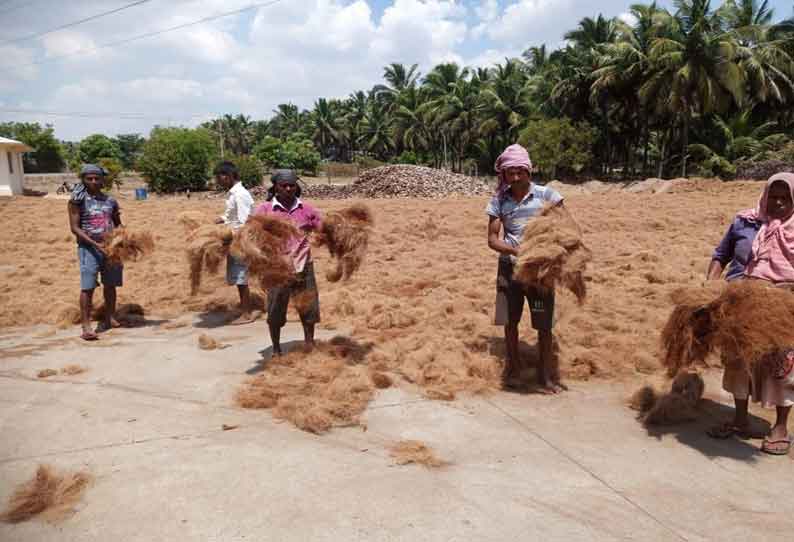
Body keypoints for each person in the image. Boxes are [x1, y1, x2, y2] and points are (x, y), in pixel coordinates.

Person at [707, 172, 794, 455]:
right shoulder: (745, 221)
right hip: (742, 302)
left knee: (782, 365)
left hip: (784, 308)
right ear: (765, 195)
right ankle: (740, 419)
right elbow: (721, 254)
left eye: (785, 198)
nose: (778, 203)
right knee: (737, 362)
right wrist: (709, 285)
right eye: (774, 196)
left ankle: (780, 427)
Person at [486, 143, 569, 393]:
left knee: (543, 324)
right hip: (509, 272)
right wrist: (515, 251)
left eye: (519, 171)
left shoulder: (548, 196)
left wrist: (546, 253)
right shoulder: (499, 200)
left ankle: (544, 375)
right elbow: (492, 239)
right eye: (509, 172)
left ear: (528, 171)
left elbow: (566, 228)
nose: (515, 177)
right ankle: (513, 369)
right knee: (510, 321)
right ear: (504, 175)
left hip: (539, 275)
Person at [253, 169, 322, 356]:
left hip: (303, 265)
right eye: (284, 185)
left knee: (308, 307)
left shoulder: (307, 209)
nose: (289, 188)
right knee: (275, 309)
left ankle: (309, 344)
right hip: (277, 268)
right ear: (276, 187)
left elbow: (322, 229)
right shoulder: (265, 210)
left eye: (292, 185)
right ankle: (276, 348)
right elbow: (251, 234)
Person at [67, 164, 122, 341]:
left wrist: (124, 238)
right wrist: (95, 244)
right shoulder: (77, 200)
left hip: (111, 248)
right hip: (88, 248)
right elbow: (75, 228)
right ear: (83, 180)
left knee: (110, 284)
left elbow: (118, 224)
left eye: (96, 178)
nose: (93, 181)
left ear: (102, 180)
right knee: (88, 286)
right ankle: (86, 326)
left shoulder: (110, 201)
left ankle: (110, 317)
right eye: (88, 178)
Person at [214, 161, 256, 325]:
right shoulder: (233, 193)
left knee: (241, 277)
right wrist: (219, 220)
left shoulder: (240, 194)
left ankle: (247, 314)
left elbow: (245, 221)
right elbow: (230, 215)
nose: (218, 181)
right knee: (238, 277)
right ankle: (244, 309)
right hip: (233, 239)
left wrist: (230, 235)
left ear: (229, 176)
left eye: (219, 177)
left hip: (239, 241)